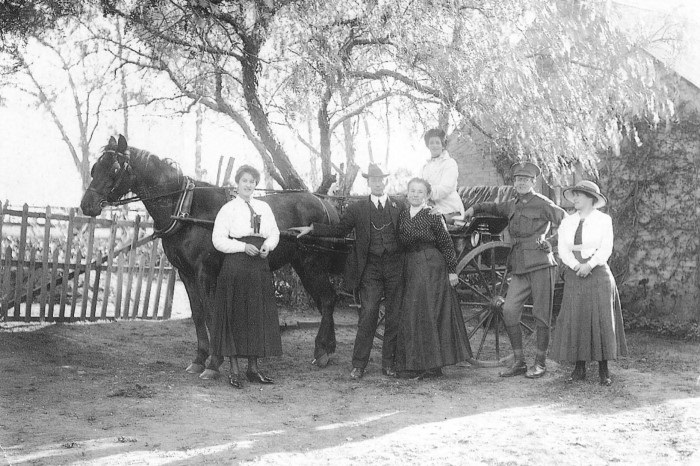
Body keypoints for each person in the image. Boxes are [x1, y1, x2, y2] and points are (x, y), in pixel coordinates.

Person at [291, 164, 405, 379]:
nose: (378, 183)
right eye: (373, 180)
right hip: (370, 269)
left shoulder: (399, 206)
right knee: (368, 315)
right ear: (369, 183)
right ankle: (359, 364)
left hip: (394, 268)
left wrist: (432, 213)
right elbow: (339, 230)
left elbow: (410, 227)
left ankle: (389, 364)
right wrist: (313, 229)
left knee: (394, 317)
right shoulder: (357, 208)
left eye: (381, 180)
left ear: (385, 182)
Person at [463, 161, 566, 379]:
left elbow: (567, 221)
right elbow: (492, 206)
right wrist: (473, 209)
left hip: (540, 263)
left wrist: (552, 241)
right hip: (519, 265)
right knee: (509, 311)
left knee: (541, 316)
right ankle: (519, 362)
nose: (520, 183)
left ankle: (540, 363)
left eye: (525, 180)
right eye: (517, 180)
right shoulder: (512, 204)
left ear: (533, 182)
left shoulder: (543, 203)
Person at [211, 165, 282, 389]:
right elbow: (218, 240)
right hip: (236, 266)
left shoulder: (264, 207)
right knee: (235, 315)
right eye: (245, 181)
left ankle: (253, 368)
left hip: (258, 266)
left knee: (256, 315)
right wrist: (242, 247)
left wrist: (268, 246)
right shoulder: (228, 209)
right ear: (237, 183)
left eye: (252, 181)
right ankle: (234, 369)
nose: (249, 185)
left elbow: (274, 232)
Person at [550, 180, 628, 386]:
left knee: (601, 319)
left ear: (591, 199)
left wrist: (589, 265)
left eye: (579, 195)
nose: (575, 198)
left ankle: (604, 370)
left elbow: (606, 248)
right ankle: (579, 367)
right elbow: (562, 250)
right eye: (574, 194)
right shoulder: (567, 222)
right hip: (575, 273)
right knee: (577, 318)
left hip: (598, 273)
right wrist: (576, 266)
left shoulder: (603, 220)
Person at [396, 178, 472, 378]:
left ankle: (432, 366)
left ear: (427, 196)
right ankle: (415, 362)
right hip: (410, 264)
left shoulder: (432, 215)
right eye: (412, 191)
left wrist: (452, 270)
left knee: (426, 311)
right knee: (412, 312)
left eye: (420, 192)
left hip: (430, 266)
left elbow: (446, 244)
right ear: (407, 193)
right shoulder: (403, 214)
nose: (415, 194)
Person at [421, 128, 465, 219]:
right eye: (431, 143)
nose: (434, 145)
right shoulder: (425, 167)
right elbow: (420, 186)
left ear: (443, 145)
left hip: (450, 210)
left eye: (437, 142)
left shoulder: (450, 163)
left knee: (429, 223)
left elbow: (445, 188)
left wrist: (425, 193)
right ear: (428, 145)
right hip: (432, 209)